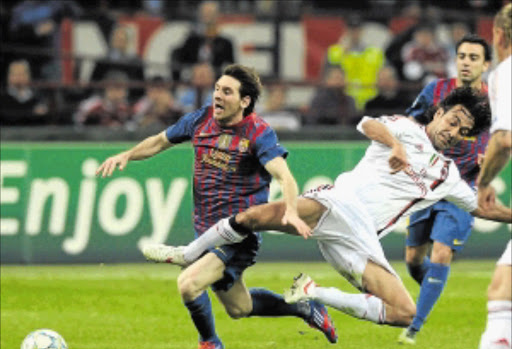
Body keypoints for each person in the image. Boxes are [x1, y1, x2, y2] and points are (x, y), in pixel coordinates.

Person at [143, 87, 511, 334]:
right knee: (257, 216)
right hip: (339, 204)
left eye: (462, 130)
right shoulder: (404, 127)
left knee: (405, 314)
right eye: (452, 120)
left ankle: (312, 292)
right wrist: (396, 146)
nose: (453, 130)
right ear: (440, 111)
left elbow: (480, 205)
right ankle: (185, 253)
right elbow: (366, 123)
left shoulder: (445, 174)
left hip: (361, 239)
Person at [97, 64, 337, 349]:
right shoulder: (200, 119)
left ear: (245, 101)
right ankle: (304, 307)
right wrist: (126, 155)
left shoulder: (258, 133)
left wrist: (290, 208)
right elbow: (159, 141)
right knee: (241, 308)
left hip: (238, 234)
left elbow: (284, 177)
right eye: (217, 89)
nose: (217, 96)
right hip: (205, 230)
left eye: (226, 91)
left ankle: (209, 343)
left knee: (188, 284)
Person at [399, 34, 492, 344]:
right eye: (462, 56)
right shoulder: (435, 91)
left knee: (441, 251)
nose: (466, 62)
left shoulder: (498, 101)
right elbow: (410, 124)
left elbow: (503, 139)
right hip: (427, 184)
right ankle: (433, 287)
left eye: (473, 57)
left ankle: (413, 327)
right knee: (413, 259)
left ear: (486, 64)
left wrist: (489, 156)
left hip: (463, 185)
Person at [458, 4, 512, 349]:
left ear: (497, 35)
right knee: (503, 289)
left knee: (502, 293)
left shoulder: (505, 73)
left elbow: (504, 140)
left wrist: (483, 181)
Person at [326, 14, 384, 110]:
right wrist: (343, 53)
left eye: (357, 29)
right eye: (351, 29)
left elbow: (385, 77)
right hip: (344, 103)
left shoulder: (375, 52)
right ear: (346, 30)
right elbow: (328, 78)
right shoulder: (335, 52)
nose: (355, 33)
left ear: (363, 31)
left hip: (370, 103)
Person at [170, 1, 234, 82]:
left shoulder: (226, 43)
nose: (208, 18)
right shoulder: (191, 41)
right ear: (200, 16)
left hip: (216, 84)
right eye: (205, 14)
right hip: (192, 82)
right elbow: (179, 62)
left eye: (211, 14)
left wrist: (214, 72)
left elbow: (232, 69)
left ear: (218, 16)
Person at [0, 59, 48, 125]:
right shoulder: (2, 99)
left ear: (28, 76)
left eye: (22, 73)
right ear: (9, 77)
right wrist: (32, 113)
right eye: (15, 74)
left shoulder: (37, 99)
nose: (19, 77)